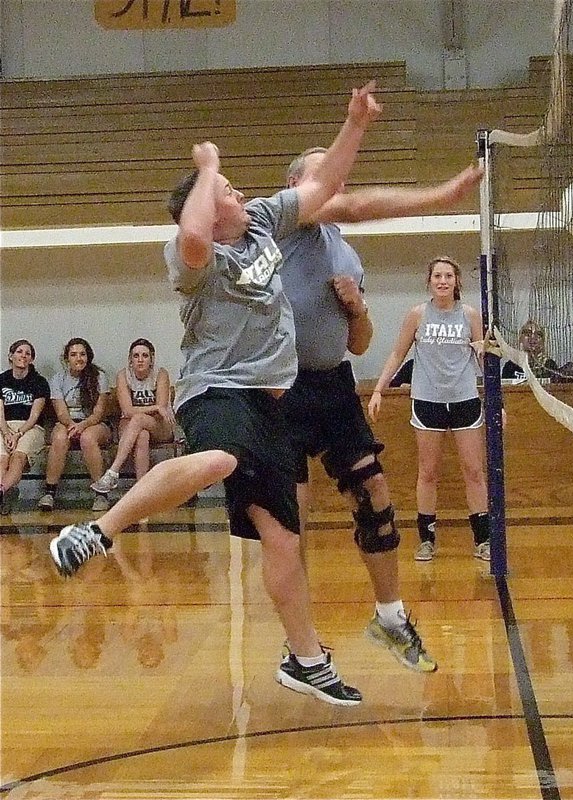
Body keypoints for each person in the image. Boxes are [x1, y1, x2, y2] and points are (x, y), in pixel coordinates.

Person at [49, 81, 382, 706]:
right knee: (220, 457)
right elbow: (196, 236)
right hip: (217, 391)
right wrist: (207, 170)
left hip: (271, 406)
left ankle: (306, 661)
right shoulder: (190, 258)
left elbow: (325, 184)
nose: (239, 193)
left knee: (283, 540)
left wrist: (355, 124)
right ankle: (97, 530)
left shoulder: (263, 224)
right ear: (205, 206)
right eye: (228, 191)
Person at [278, 147, 482, 673]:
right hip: (278, 390)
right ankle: (299, 645)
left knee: (375, 495)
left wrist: (357, 307)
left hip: (333, 385)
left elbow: (361, 343)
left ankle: (390, 618)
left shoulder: (346, 253)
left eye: (339, 173)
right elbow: (349, 205)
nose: (336, 181)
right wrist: (441, 195)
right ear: (295, 185)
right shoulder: (279, 225)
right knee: (290, 523)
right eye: (323, 173)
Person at [368, 256, 490, 563]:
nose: (443, 281)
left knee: (474, 471)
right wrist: (379, 390)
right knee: (428, 471)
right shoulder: (417, 315)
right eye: (438, 276)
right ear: (430, 281)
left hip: (464, 400)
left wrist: (495, 399)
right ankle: (426, 539)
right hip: (427, 401)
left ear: (456, 281)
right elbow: (397, 354)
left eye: (448, 276)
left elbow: (483, 359)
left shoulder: (470, 315)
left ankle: (483, 539)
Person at [91, 338, 176, 496]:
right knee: (142, 435)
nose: (140, 360)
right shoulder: (123, 376)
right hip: (130, 423)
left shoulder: (161, 374)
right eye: (136, 356)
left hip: (160, 424)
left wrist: (155, 408)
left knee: (139, 419)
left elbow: (162, 407)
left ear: (152, 359)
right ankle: (141, 491)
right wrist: (154, 407)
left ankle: (113, 472)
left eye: (145, 355)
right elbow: (127, 410)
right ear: (130, 360)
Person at [39, 337, 112, 513]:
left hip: (94, 423)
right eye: (73, 354)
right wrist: (72, 425)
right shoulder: (58, 379)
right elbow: (61, 412)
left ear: (88, 357)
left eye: (82, 354)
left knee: (87, 438)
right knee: (59, 437)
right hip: (68, 422)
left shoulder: (99, 377)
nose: (78, 358)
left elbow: (99, 413)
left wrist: (82, 426)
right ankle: (49, 493)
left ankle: (101, 494)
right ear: (66, 359)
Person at [0, 339, 51, 515]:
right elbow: (0, 413)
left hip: (30, 428)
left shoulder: (39, 382)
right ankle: (6, 493)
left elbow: (34, 416)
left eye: (27, 353)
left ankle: (2, 490)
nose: (23, 356)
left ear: (31, 359)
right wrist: (6, 433)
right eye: (19, 352)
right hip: (5, 426)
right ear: (11, 356)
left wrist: (17, 435)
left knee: (18, 457)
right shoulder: (2, 380)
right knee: (2, 459)